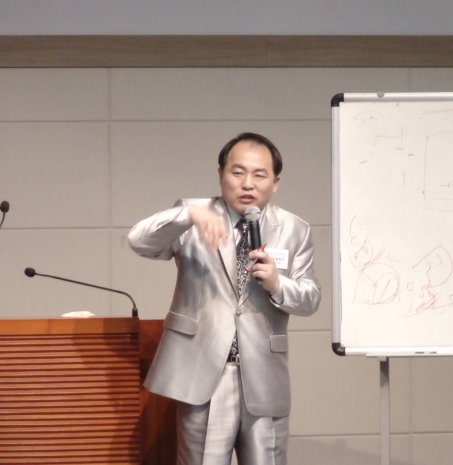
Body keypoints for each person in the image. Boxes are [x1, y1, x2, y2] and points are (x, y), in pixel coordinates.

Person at [128, 132, 321, 465]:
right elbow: (138, 240)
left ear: (275, 183)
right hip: (204, 370)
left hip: (264, 374)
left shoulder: (295, 229)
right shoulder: (193, 215)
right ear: (221, 174)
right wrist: (188, 215)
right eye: (237, 172)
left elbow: (310, 298)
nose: (247, 184)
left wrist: (277, 284)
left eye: (259, 175)